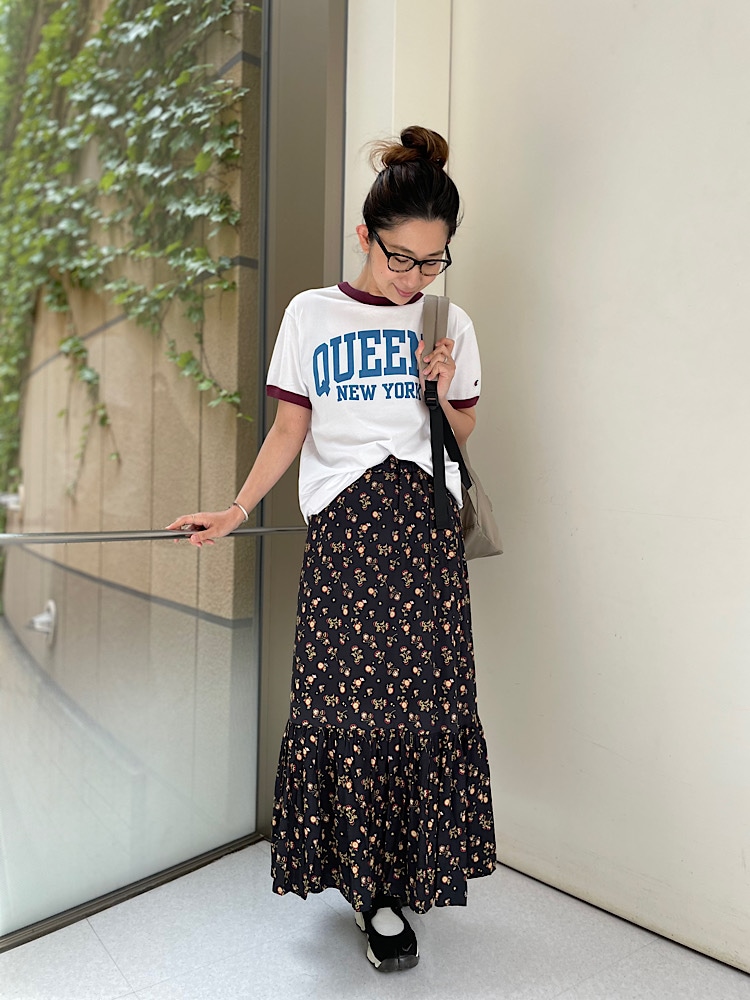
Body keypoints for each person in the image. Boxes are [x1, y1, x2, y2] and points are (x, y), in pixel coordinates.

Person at [167, 125, 496, 973]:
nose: (413, 277)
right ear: (364, 236)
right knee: (348, 707)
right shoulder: (311, 315)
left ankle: (405, 876)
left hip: (424, 533)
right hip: (347, 535)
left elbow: (462, 430)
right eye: (400, 258)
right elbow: (291, 427)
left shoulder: (448, 321)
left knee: (420, 705)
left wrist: (437, 388)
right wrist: (237, 508)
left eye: (432, 262)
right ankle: (365, 884)